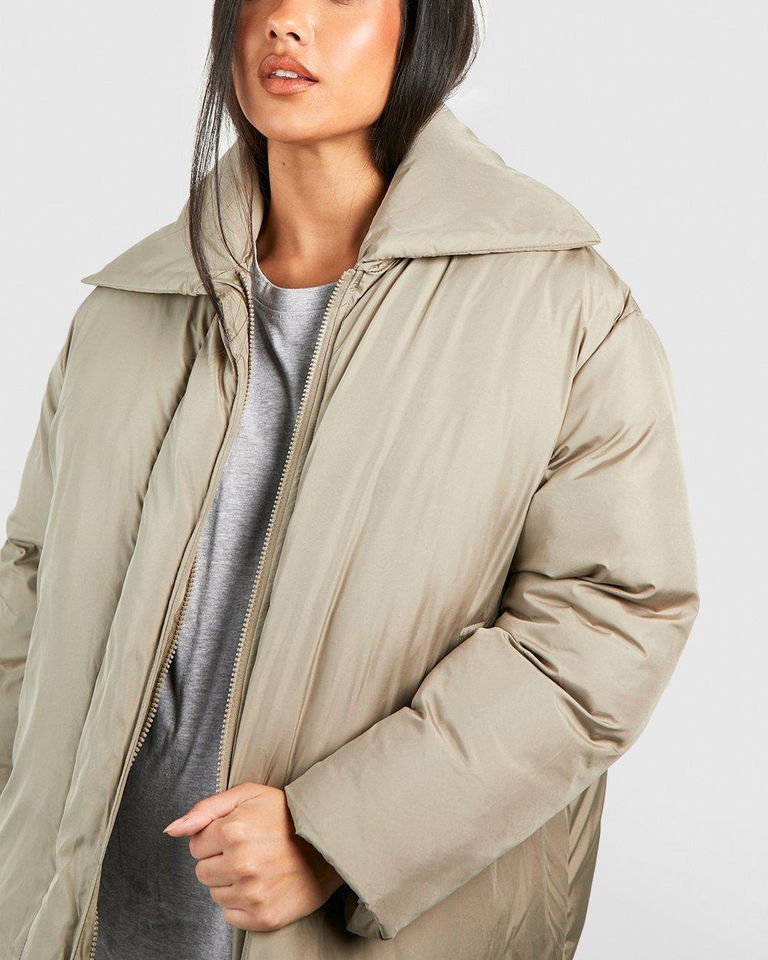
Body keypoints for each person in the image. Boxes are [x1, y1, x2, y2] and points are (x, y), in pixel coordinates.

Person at [0, 0, 700, 958]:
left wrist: (339, 837)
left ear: (426, 26)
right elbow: (30, 587)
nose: (286, 20)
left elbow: (609, 620)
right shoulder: (128, 310)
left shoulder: (561, 309)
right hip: (79, 925)